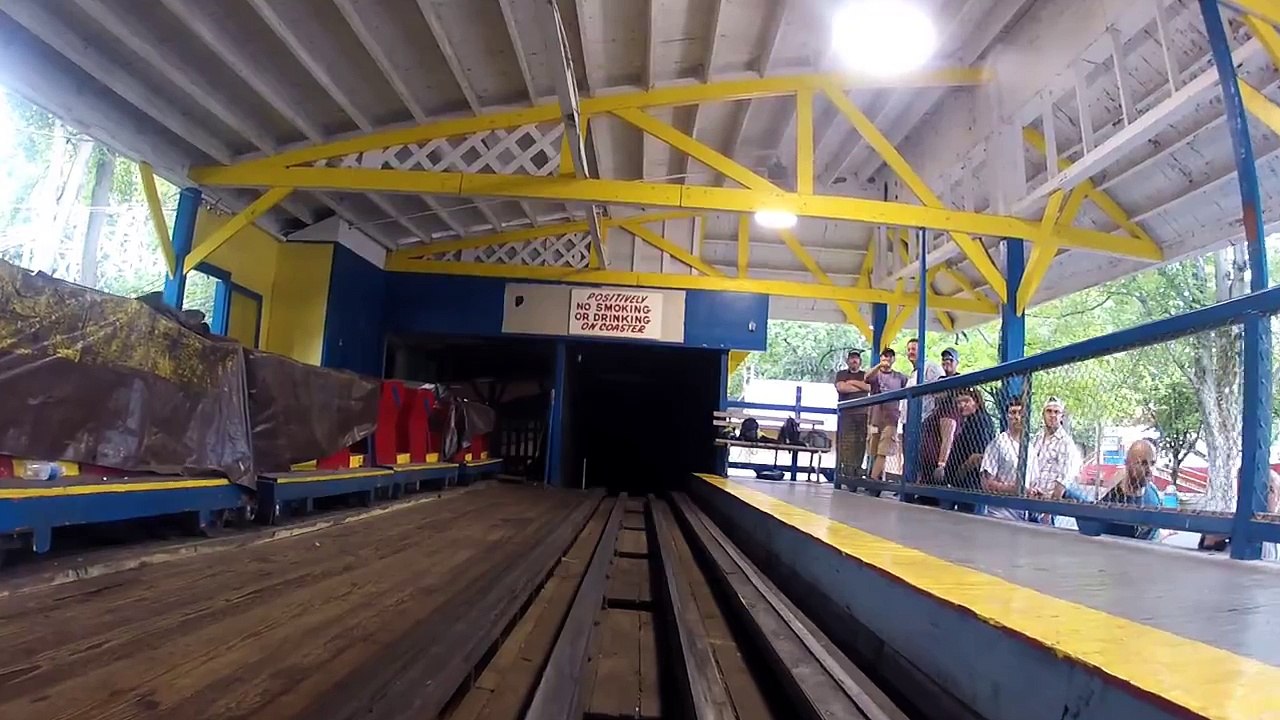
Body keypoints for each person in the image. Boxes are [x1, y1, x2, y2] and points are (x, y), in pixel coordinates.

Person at [1085, 439, 1164, 540]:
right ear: (1128, 464)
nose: (1149, 469)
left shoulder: (1154, 494)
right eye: (1143, 463)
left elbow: (1154, 534)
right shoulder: (1111, 503)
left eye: (1152, 463)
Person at [1025, 396, 1083, 523]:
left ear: (1062, 416)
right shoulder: (1037, 438)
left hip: (1048, 503)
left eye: (1056, 412)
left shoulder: (1066, 443)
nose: (1052, 415)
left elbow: (1063, 480)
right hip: (1031, 498)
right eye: (1049, 411)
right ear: (1043, 414)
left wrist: (1049, 510)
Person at [980, 397, 1030, 521]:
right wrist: (1013, 489)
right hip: (1000, 514)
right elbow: (986, 484)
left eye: (1021, 413)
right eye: (1013, 412)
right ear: (1007, 416)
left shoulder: (1030, 447)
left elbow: (1032, 482)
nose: (1017, 417)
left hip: (1024, 514)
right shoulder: (998, 443)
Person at [864, 347, 908, 482]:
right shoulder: (875, 374)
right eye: (884, 356)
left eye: (889, 356)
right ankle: (878, 477)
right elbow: (866, 378)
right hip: (875, 417)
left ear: (894, 359)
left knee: (884, 450)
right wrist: (878, 365)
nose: (887, 359)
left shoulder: (900, 377)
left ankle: (872, 479)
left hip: (891, 418)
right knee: (873, 449)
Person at [945, 388, 996, 503]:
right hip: (965, 484)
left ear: (976, 402)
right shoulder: (970, 420)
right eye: (958, 402)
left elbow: (979, 456)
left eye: (966, 401)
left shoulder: (980, 421)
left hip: (970, 484)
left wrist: (958, 475)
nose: (961, 405)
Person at [834, 350, 871, 483]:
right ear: (847, 361)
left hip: (863, 414)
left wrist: (852, 382)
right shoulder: (841, 374)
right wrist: (859, 386)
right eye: (852, 358)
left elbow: (869, 388)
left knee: (860, 443)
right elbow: (842, 388)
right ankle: (844, 472)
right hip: (846, 415)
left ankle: (857, 471)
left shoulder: (865, 374)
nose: (854, 360)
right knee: (845, 444)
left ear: (860, 361)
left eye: (856, 358)